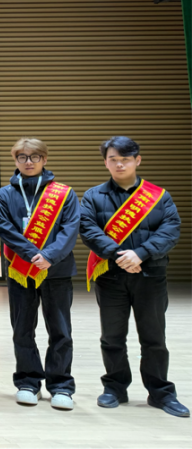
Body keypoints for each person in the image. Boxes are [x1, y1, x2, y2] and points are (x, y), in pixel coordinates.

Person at [80, 136, 188, 418]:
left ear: (137, 161)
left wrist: (140, 254)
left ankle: (160, 392)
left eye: (125, 159)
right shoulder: (93, 196)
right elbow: (88, 229)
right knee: (112, 336)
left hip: (151, 274)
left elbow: (171, 229)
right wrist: (120, 256)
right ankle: (115, 388)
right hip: (110, 276)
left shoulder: (159, 196)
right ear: (105, 163)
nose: (119, 164)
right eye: (113, 159)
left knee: (154, 337)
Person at [0, 137, 80, 411]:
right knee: (22, 330)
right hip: (21, 271)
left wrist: (49, 256)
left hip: (56, 271)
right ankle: (28, 382)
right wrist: (33, 255)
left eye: (34, 157)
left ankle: (61, 385)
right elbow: (4, 228)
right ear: (15, 160)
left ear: (44, 159)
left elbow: (70, 229)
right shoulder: (4, 195)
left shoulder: (64, 193)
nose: (28, 162)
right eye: (22, 157)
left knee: (61, 330)